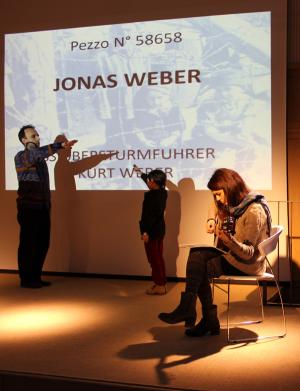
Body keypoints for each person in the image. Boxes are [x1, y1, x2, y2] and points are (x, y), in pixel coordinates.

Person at [158, 168, 272, 336]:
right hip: (232, 256)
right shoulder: (236, 203)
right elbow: (213, 205)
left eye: (219, 194)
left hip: (247, 264)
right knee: (197, 258)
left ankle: (199, 314)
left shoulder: (254, 211)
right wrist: (211, 219)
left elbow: (248, 253)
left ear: (230, 188)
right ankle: (200, 315)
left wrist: (228, 239)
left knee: (198, 264)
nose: (217, 199)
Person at [15, 125, 77, 288]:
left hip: (43, 207)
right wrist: (59, 146)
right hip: (29, 208)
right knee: (29, 243)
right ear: (24, 140)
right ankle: (26, 279)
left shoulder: (40, 160)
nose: (36, 137)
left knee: (42, 242)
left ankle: (35, 276)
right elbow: (35, 154)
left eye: (37, 135)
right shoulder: (22, 156)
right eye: (32, 136)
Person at [134, 166, 168, 295]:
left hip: (152, 232)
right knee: (158, 258)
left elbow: (149, 216)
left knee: (154, 259)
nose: (148, 182)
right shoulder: (162, 192)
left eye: (149, 180)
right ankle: (161, 283)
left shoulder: (152, 196)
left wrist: (145, 232)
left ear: (154, 181)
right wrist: (141, 173)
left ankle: (160, 285)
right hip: (159, 230)